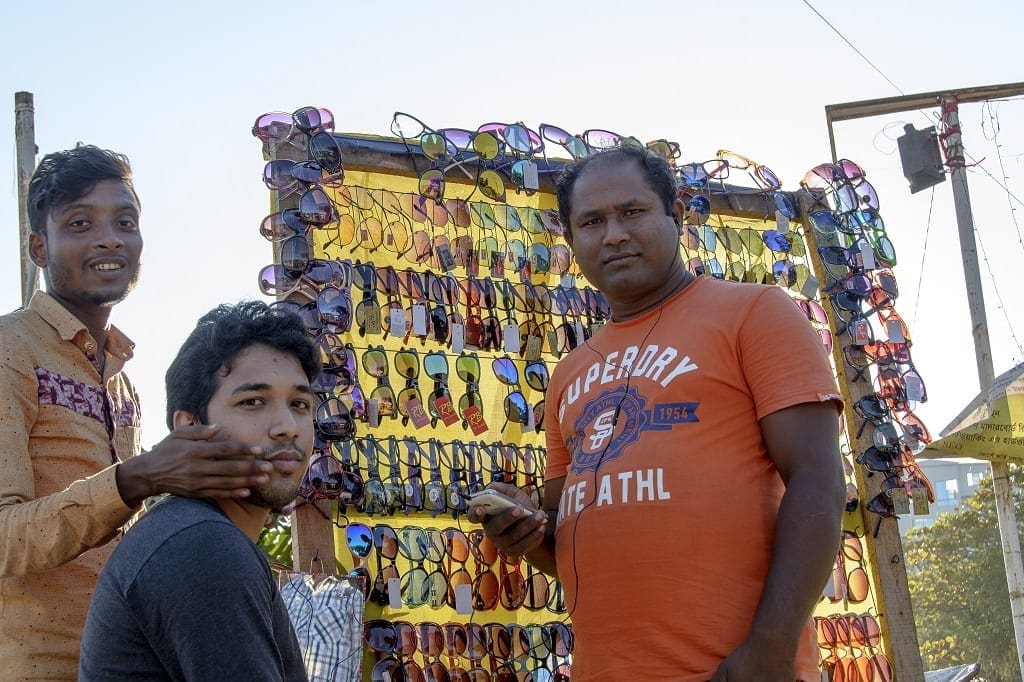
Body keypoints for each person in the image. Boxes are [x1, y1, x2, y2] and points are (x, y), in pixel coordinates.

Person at [473, 146, 845, 681]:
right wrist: (523, 532)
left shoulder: (756, 313)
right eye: (592, 222)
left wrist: (770, 651)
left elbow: (818, 481)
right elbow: (569, 544)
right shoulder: (570, 372)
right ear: (572, 240)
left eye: (632, 212)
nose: (614, 235)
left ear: (677, 213)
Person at [0, 145, 278, 679]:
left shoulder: (122, 380)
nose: (108, 238)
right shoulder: (12, 351)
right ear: (39, 247)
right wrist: (138, 476)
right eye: (80, 223)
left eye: (124, 222)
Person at [79, 301, 318, 680]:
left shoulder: (193, 533)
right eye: (252, 402)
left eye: (300, 404)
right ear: (188, 427)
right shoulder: (201, 546)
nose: (287, 426)